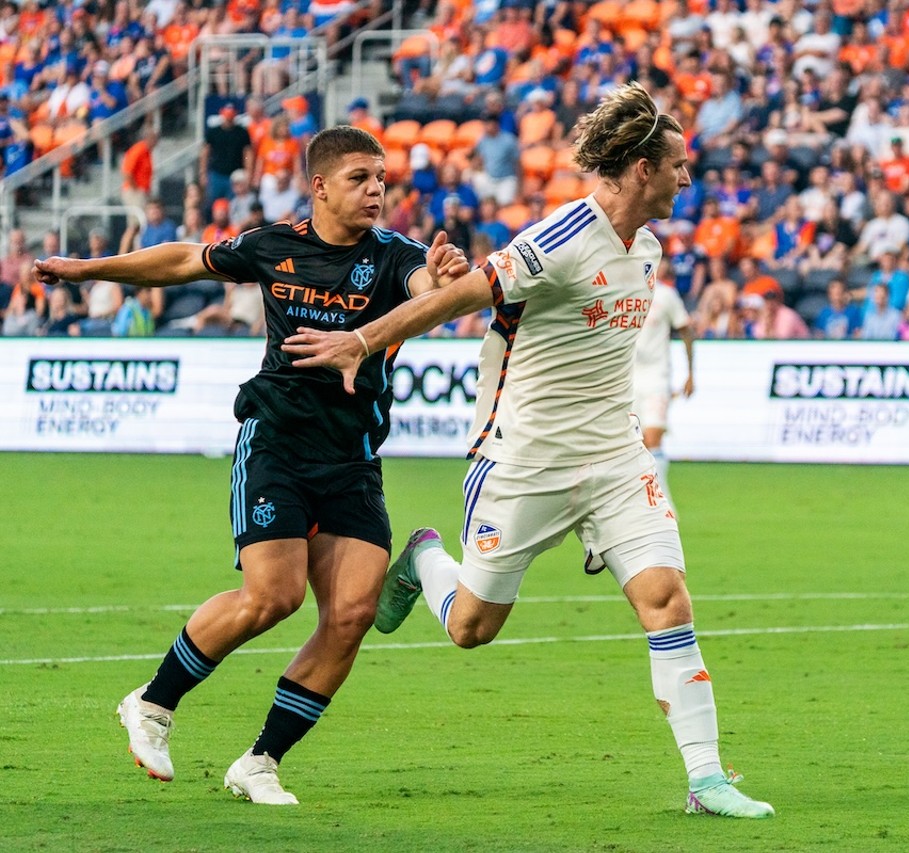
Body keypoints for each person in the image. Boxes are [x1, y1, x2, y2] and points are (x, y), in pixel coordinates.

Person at [281, 83, 774, 819]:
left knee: (667, 600)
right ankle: (422, 556)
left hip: (615, 458)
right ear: (642, 169)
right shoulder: (560, 238)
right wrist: (363, 337)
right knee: (471, 628)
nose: (687, 178)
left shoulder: (648, 245)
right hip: (524, 460)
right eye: (678, 165)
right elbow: (463, 296)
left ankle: (706, 779)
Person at [35, 126, 466, 804]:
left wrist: (444, 282)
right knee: (274, 595)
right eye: (359, 177)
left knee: (351, 614)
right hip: (276, 444)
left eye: (381, 177)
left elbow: (427, 287)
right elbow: (185, 261)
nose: (377, 188)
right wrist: (89, 271)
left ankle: (260, 760)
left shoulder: (397, 258)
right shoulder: (274, 246)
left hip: (352, 458)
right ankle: (152, 702)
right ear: (320, 186)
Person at [633, 276, 695, 512]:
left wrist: (690, 373)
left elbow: (686, 330)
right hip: (625, 378)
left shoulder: (665, 295)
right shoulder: (618, 289)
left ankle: (662, 504)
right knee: (634, 444)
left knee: (653, 438)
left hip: (656, 376)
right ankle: (642, 504)